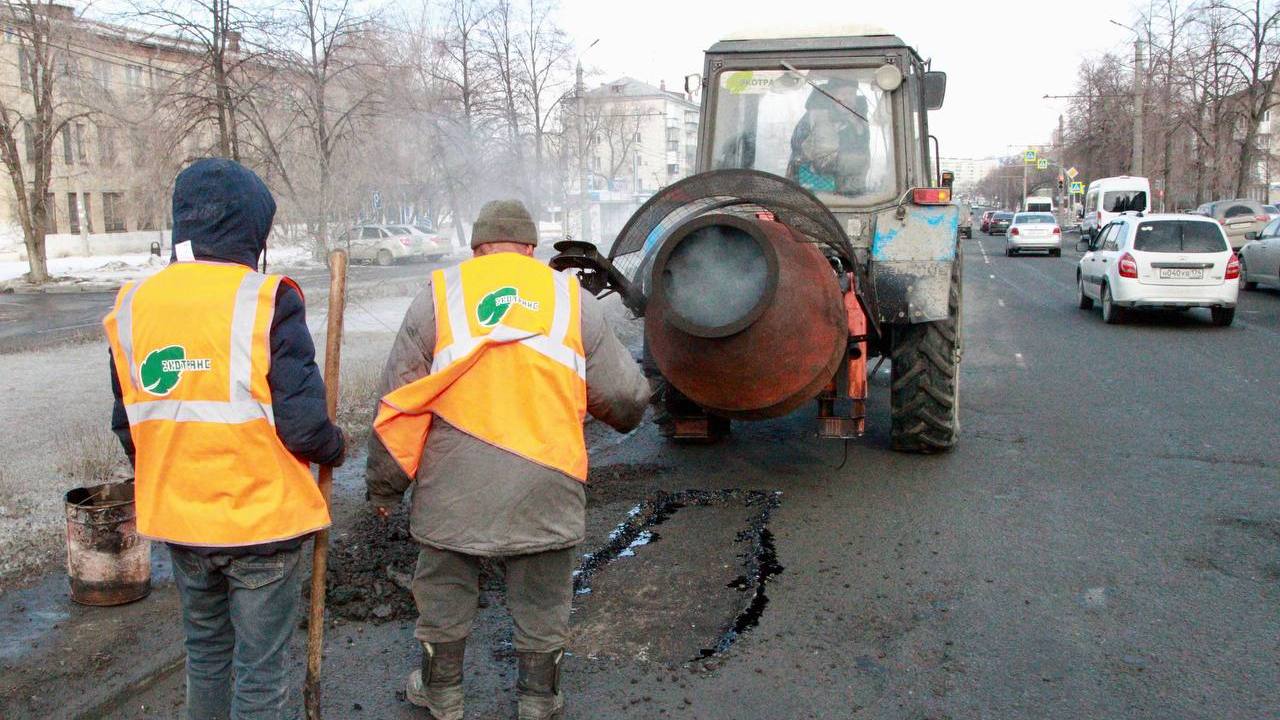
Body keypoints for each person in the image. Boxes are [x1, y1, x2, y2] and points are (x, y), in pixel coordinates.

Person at [366, 199, 650, 720]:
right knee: (542, 596)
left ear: (477, 248)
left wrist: (385, 485)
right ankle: (538, 699)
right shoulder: (569, 298)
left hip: (454, 482)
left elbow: (399, 399)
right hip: (546, 475)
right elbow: (625, 398)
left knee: (444, 588)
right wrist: (622, 416)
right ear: (531, 248)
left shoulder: (439, 296)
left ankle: (442, 693)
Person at [104, 158, 345, 720]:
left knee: (207, 657)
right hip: (261, 525)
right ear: (252, 229)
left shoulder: (133, 306)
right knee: (260, 674)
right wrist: (336, 446)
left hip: (183, 525)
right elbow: (304, 426)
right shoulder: (267, 300)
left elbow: (128, 426)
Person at [787, 78, 872, 196]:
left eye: (851, 93)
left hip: (851, 194)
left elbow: (863, 155)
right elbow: (799, 150)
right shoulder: (814, 117)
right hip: (812, 193)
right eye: (843, 93)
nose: (848, 98)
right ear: (831, 96)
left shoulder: (860, 122)